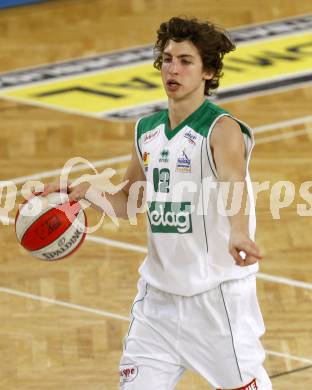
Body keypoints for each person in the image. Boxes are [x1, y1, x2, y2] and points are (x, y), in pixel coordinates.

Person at [43, 17, 272, 390]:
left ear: (208, 71)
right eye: (167, 59)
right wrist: (87, 191)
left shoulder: (222, 128)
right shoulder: (146, 130)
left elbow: (233, 181)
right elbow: (129, 203)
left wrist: (239, 233)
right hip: (158, 303)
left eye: (185, 60)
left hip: (217, 301)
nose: (173, 69)